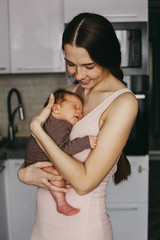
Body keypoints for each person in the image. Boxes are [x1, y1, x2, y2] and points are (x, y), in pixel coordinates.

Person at [18, 12, 138, 240]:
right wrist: (23, 174)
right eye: (71, 64)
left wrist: (37, 129)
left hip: (81, 230)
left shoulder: (123, 103)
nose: (78, 74)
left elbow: (83, 183)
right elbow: (35, 156)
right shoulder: (71, 94)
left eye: (88, 66)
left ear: (108, 58)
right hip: (43, 226)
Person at [24, 88, 97, 216]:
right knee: (56, 174)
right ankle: (61, 203)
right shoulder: (59, 125)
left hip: (37, 160)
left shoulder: (55, 122)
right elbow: (61, 150)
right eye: (74, 107)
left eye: (81, 108)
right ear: (56, 109)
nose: (79, 111)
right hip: (39, 161)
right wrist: (85, 142)